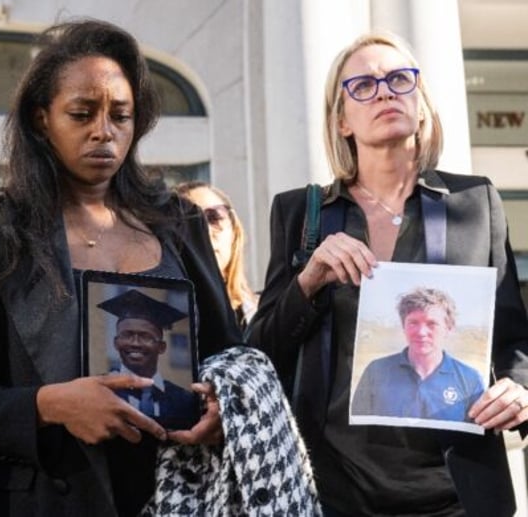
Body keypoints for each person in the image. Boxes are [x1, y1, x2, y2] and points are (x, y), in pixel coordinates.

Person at [0, 19, 244, 517]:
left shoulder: (180, 222)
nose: (103, 132)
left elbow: (228, 353)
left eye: (120, 116)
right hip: (44, 500)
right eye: (81, 114)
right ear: (42, 119)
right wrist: (50, 405)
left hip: (176, 495)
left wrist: (220, 409)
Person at [247, 30, 528, 516]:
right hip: (335, 488)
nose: (384, 92)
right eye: (363, 85)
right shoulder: (301, 212)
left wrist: (521, 389)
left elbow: (512, 339)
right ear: (341, 121)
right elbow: (262, 348)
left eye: (399, 79)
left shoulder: (475, 201)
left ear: (421, 105)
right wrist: (309, 279)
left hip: (458, 488)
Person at [351, 287, 485, 422]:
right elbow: (358, 431)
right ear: (403, 326)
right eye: (413, 323)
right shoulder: (376, 370)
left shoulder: (470, 379)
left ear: (448, 329)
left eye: (432, 323)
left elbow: (476, 437)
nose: (421, 332)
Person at [99, 289, 198, 430]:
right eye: (127, 335)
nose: (135, 343)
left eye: (145, 336)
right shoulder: (99, 391)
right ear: (116, 343)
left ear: (161, 347)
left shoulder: (184, 400)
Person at [175, 181, 259, 327]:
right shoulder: (168, 318)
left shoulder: (265, 314)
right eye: (191, 223)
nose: (206, 231)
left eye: (214, 217)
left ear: (235, 231)